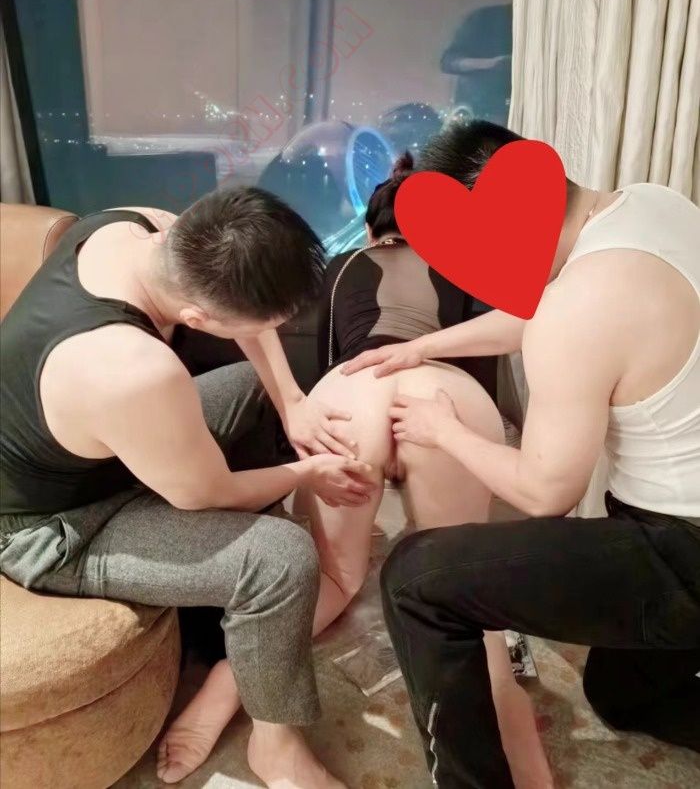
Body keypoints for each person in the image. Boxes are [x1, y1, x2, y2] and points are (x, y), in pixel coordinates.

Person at [344, 121, 700, 788]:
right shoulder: (649, 205)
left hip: (684, 545)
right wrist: (422, 347)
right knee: (619, 695)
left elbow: (543, 493)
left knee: (417, 579)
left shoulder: (580, 302)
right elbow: (542, 307)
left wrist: (443, 430)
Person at [0, 187, 380, 789]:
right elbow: (205, 495)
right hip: (51, 528)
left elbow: (247, 326)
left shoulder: (137, 226)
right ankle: (275, 746)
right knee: (281, 560)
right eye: (267, 323)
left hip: (104, 449)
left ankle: (237, 626)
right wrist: (306, 474)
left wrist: (292, 403)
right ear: (200, 321)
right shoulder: (133, 369)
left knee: (254, 389)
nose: (275, 331)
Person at [293, 153, 553, 789]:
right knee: (465, 603)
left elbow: (325, 355)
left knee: (334, 578)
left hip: (351, 394)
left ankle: (225, 693)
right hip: (443, 394)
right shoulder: (462, 262)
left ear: (371, 227)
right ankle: (524, 755)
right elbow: (486, 362)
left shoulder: (343, 264)